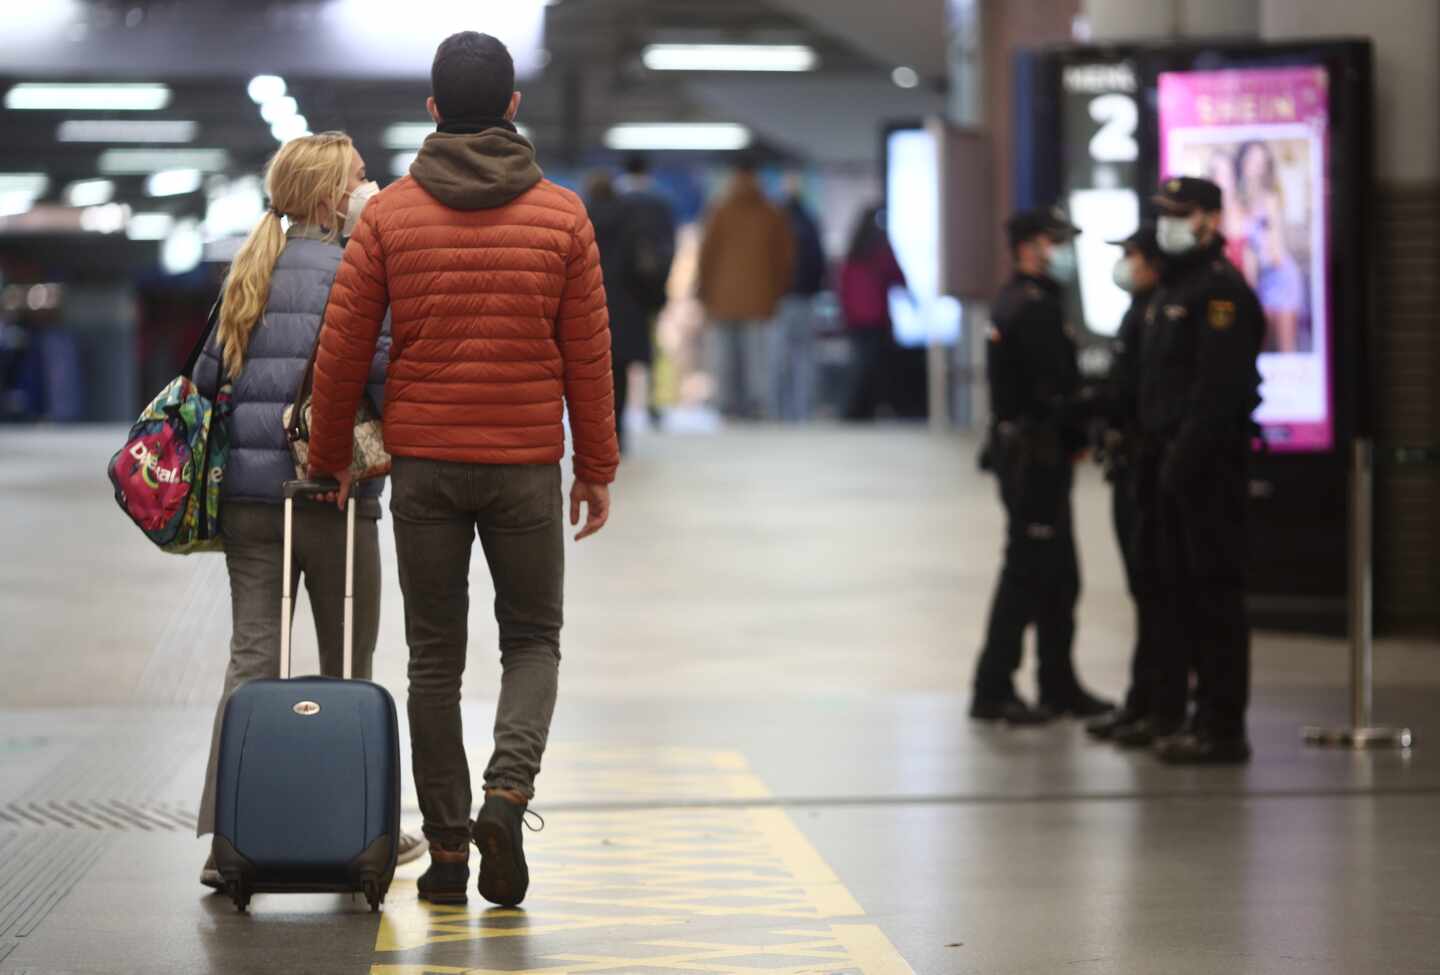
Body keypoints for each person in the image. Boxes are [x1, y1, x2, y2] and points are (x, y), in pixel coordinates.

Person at [302, 32, 619, 907]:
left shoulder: (393, 215)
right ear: (514, 108)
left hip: (427, 469)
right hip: (522, 465)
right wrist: (596, 466)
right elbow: (587, 353)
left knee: (433, 663)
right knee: (533, 641)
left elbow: (342, 350)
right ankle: (505, 798)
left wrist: (332, 455)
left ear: (434, 111)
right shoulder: (562, 216)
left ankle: (446, 855)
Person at [190, 132, 426, 888]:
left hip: (250, 504)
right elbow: (386, 379)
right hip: (334, 496)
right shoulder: (360, 272)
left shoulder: (248, 268)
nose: (373, 187)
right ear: (331, 198)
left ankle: (231, 835)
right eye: (361, 178)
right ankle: (354, 826)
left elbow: (205, 380)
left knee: (250, 663)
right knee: (346, 667)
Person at [1133, 176, 1263, 764]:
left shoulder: (1220, 293)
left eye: (1181, 213)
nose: (1170, 223)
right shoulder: (1174, 288)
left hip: (1206, 469)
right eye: (1165, 212)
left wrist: (1183, 459)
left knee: (1214, 598)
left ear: (1211, 218)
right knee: (1181, 596)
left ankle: (1222, 725)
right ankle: (1194, 713)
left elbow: (1218, 393)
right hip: (1171, 464)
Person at [969, 206, 1113, 725]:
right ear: (1029, 246)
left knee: (1059, 577)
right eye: (1054, 243)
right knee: (1026, 573)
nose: (1061, 253)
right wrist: (1105, 402)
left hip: (1037, 454)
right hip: (1034, 457)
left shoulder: (1027, 302)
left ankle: (1058, 683)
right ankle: (993, 686)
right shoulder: (1030, 309)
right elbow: (1051, 393)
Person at [1085, 224, 1168, 744]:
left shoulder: (1162, 311)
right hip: (1129, 466)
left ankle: (1161, 703)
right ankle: (1144, 699)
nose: (1126, 265)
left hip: (1152, 467)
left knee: (1160, 590)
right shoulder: (1139, 311)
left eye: (1133, 256)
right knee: (1143, 589)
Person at [697, 158, 794, 420]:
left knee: (726, 357)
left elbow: (707, 254)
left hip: (722, 297)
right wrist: (776, 290)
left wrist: (704, 290)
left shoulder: (720, 210)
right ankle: (756, 405)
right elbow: (784, 258)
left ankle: (728, 405)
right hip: (760, 298)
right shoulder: (771, 213)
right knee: (757, 358)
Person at [597, 155, 676, 452]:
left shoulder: (593, 211)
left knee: (603, 367)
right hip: (634, 300)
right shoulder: (656, 206)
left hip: (597, 299)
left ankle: (603, 432)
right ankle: (633, 420)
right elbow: (658, 255)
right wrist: (658, 294)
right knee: (631, 362)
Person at [1235, 142, 1307, 353]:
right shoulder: (1237, 202)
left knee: (1286, 347)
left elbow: (1275, 253)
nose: (1255, 167)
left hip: (1280, 275)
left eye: (1261, 162)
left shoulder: (1270, 200)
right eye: (1251, 160)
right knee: (1258, 345)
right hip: (1257, 280)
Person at [837, 204, 906, 421]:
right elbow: (897, 277)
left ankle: (856, 410)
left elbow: (843, 285)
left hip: (856, 318)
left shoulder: (853, 250)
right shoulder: (881, 250)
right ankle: (867, 408)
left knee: (860, 365)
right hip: (876, 317)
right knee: (875, 366)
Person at [773, 174, 826, 422]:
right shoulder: (809, 221)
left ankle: (781, 412)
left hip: (781, 299)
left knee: (780, 358)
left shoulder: (775, 221)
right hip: (805, 298)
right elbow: (819, 262)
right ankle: (802, 412)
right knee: (804, 358)